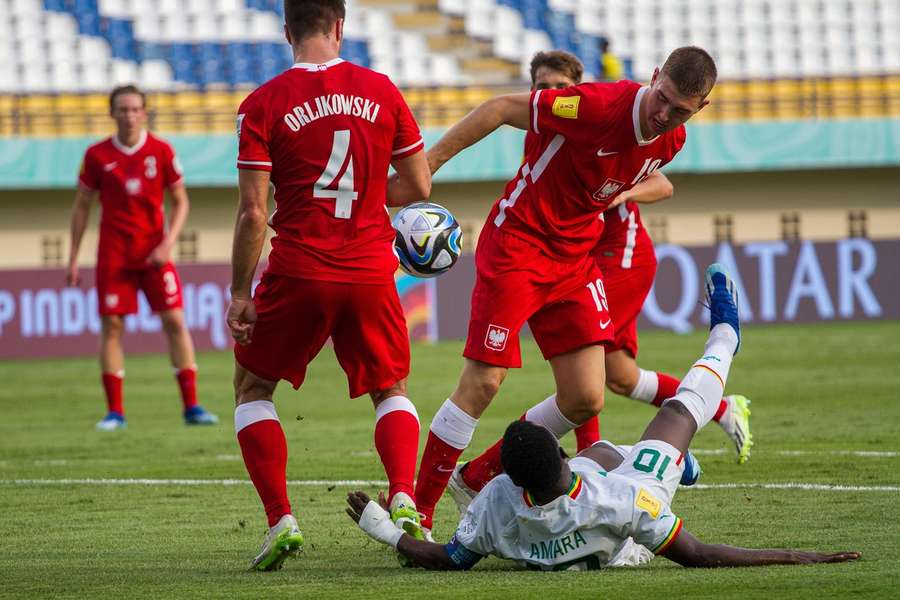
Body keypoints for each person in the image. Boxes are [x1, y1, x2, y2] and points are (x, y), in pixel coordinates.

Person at [347, 264, 861, 571]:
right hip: (629, 513)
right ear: (559, 455)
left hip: (582, 517)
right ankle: (726, 334)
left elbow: (449, 560)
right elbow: (700, 554)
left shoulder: (495, 507)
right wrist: (800, 557)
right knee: (681, 410)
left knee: (603, 453)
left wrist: (386, 532)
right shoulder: (626, 501)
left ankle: (672, 465)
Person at [402, 46, 718, 536]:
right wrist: (429, 164)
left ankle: (477, 476)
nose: (664, 114)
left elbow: (648, 182)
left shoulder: (671, 140)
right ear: (654, 77)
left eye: (680, 109)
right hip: (519, 245)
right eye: (662, 98)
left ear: (700, 108)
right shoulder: (595, 106)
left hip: (574, 261)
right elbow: (500, 109)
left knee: (586, 397)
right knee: (483, 383)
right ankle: (417, 514)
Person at [226, 0, 432, 571]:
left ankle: (281, 520)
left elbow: (252, 212)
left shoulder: (262, 104)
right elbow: (418, 184)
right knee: (390, 388)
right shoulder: (382, 90)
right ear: (340, 26)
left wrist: (240, 293)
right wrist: (367, 198)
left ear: (287, 29)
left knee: (251, 388)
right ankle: (405, 496)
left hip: (300, 270)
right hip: (369, 270)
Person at [67, 84, 218, 431]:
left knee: (175, 321)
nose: (129, 115)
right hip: (114, 253)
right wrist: (73, 258)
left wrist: (168, 243)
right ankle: (115, 412)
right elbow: (81, 208)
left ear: (144, 112)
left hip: (154, 252)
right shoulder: (97, 155)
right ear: (112, 113)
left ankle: (192, 406)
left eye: (135, 109)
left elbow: (181, 200)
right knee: (113, 326)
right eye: (122, 109)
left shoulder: (161, 151)